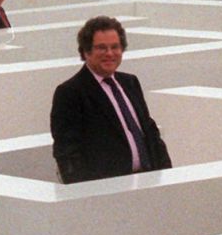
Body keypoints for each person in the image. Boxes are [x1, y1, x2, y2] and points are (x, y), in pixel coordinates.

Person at [50, 15, 171, 183]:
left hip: (147, 183)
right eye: (101, 48)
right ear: (86, 52)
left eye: (115, 47)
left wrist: (167, 175)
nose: (110, 54)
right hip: (107, 192)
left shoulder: (130, 83)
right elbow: (67, 151)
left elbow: (149, 132)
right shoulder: (70, 92)